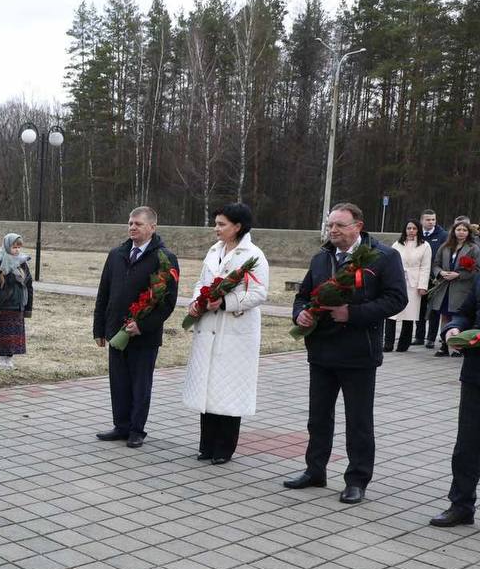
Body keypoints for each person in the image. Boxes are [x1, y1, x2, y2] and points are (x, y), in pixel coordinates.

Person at [284, 202, 406, 504]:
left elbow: (396, 299)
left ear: (358, 226)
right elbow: (302, 295)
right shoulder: (322, 257)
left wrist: (352, 313)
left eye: (339, 225)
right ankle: (315, 470)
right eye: (330, 225)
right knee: (318, 417)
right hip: (322, 350)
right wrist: (300, 314)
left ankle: (357, 480)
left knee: (358, 421)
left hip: (358, 352)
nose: (333, 230)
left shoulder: (383, 257)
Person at [181, 203, 269, 465]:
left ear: (238, 226)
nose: (216, 228)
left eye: (222, 224)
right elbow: (202, 282)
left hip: (234, 332)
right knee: (207, 387)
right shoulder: (214, 251)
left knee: (229, 389)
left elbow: (258, 293)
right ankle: (206, 445)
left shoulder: (254, 255)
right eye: (216, 223)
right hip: (208, 326)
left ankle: (224, 448)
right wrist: (197, 301)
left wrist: (226, 302)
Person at [92, 207, 180, 448]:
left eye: (138, 224)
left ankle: (136, 430)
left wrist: (142, 326)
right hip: (115, 331)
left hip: (144, 336)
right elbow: (104, 293)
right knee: (118, 382)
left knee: (140, 385)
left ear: (152, 227)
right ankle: (121, 426)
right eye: (130, 223)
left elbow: (167, 302)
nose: (132, 227)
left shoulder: (164, 258)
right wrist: (99, 328)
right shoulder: (116, 254)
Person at [432, 278, 480, 526]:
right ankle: (461, 505)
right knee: (467, 445)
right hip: (475, 374)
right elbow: (466, 312)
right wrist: (454, 328)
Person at [428, 220, 479, 358]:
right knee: (444, 316)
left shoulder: (473, 248)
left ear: (468, 232)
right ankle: (444, 345)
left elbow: (476, 269)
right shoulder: (445, 246)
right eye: (458, 229)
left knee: (458, 316)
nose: (461, 232)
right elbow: (435, 264)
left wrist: (459, 275)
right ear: (453, 231)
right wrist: (440, 272)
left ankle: (458, 346)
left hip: (461, 288)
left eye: (464, 230)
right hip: (445, 287)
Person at [0, 233, 34, 369]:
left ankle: (9, 359)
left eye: (19, 247)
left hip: (18, 306)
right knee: (3, 334)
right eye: (14, 247)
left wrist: (28, 307)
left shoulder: (22, 263)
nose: (17, 250)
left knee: (13, 336)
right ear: (7, 246)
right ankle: (2, 360)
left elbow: (28, 285)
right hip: (4, 306)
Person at [386, 220, 431, 352]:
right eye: (409, 228)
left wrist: (422, 286)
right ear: (404, 230)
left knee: (409, 314)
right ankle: (388, 343)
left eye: (414, 228)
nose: (411, 231)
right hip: (397, 280)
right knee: (391, 314)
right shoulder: (397, 244)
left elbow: (425, 267)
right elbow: (390, 263)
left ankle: (403, 345)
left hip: (414, 283)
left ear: (418, 230)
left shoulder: (424, 246)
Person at [417, 210, 448, 347]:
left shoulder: (443, 235)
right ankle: (419, 336)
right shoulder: (417, 234)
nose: (431, 222)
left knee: (434, 309)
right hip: (419, 277)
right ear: (422, 221)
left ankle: (431, 338)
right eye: (428, 220)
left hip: (435, 278)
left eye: (433, 219)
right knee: (420, 308)